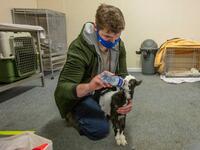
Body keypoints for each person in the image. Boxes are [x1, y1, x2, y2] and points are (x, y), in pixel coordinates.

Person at [54, 3, 132, 140]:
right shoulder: (79, 48)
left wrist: (127, 98)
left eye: (117, 36)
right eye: (107, 37)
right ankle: (70, 115)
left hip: (103, 89)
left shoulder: (119, 45)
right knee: (100, 130)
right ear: (96, 27)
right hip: (83, 93)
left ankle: (99, 104)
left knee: (117, 110)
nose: (113, 42)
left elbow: (123, 76)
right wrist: (90, 86)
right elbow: (62, 89)